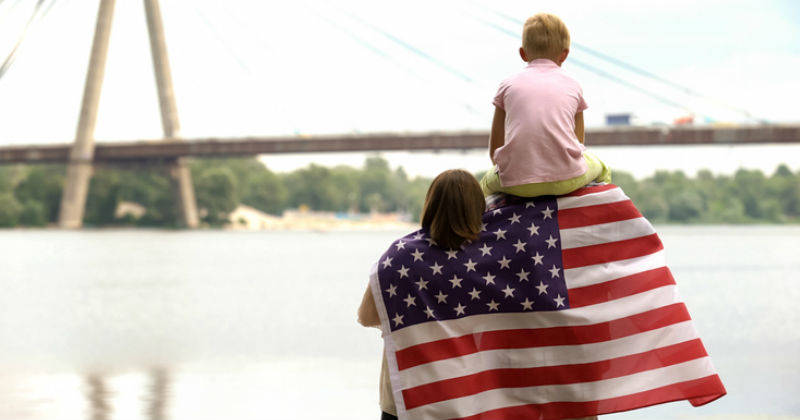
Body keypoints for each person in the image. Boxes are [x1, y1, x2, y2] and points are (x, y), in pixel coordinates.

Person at [357, 169, 597, 420]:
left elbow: (367, 316)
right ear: (480, 206)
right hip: (475, 397)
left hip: (409, 397)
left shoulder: (400, 257)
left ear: (430, 204)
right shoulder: (500, 256)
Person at [480, 13, 611, 198]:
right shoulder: (574, 85)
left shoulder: (507, 85)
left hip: (516, 184)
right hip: (567, 180)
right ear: (565, 55)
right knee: (603, 168)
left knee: (484, 185)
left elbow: (495, 150)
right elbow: (578, 144)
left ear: (523, 53)